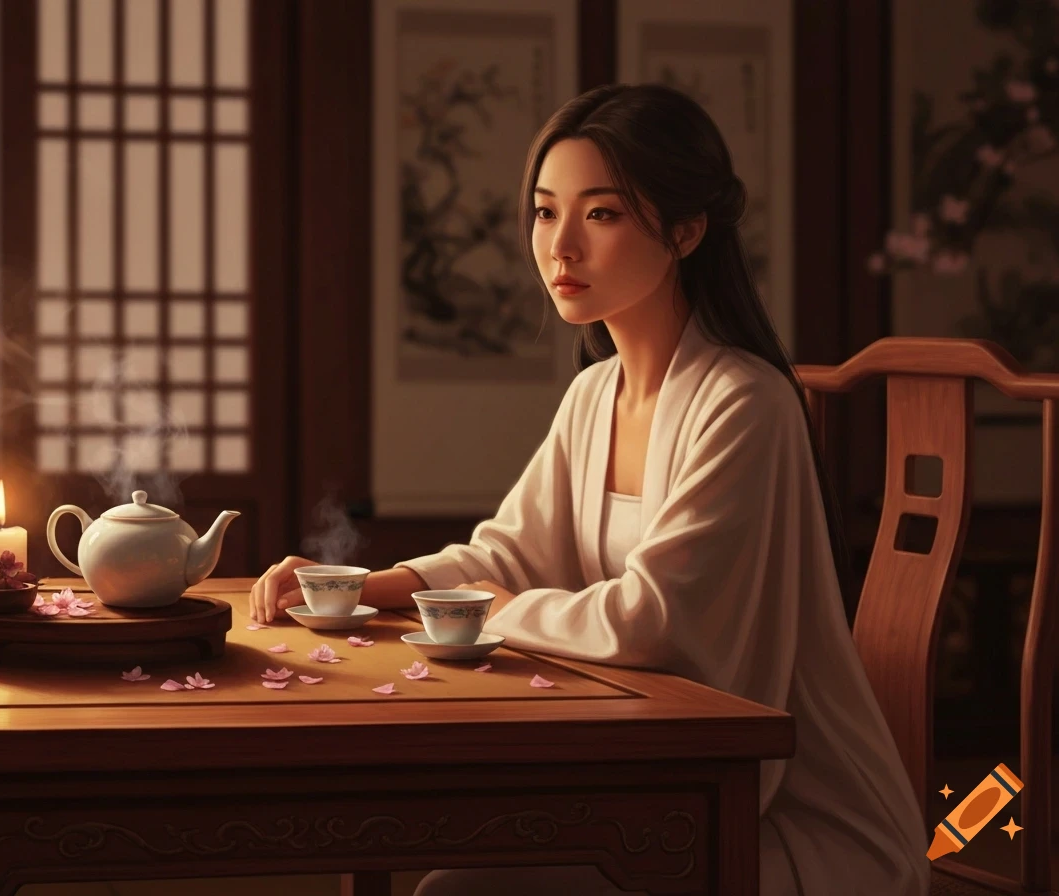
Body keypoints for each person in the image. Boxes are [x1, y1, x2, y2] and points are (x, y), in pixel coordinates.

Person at [250, 83, 929, 895]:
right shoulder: (593, 393)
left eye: (600, 214)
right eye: (545, 212)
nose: (560, 247)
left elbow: (656, 622)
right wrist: (368, 586)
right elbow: (513, 549)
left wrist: (493, 609)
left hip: (789, 821)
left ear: (686, 230)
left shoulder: (746, 403)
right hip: (664, 777)